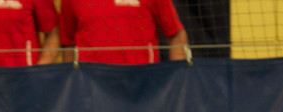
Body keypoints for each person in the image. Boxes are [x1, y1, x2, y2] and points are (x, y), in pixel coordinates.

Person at [59, 0, 188, 65]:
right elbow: (68, 44)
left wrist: (177, 78)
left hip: (142, 82)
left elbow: (176, 34)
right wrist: (71, 83)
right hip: (90, 83)